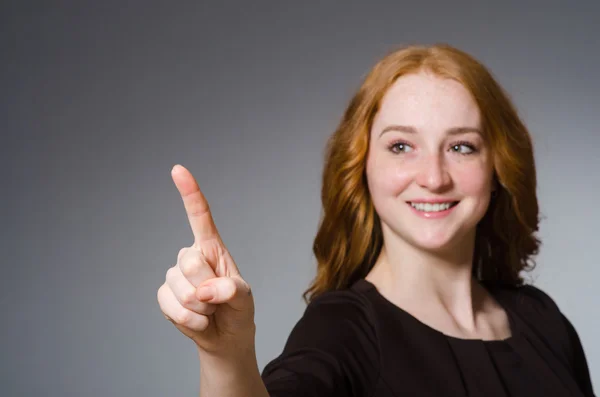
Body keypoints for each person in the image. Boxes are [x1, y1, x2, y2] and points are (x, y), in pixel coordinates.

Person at [156, 43, 596, 396]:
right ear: (361, 166)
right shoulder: (343, 329)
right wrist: (226, 357)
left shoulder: (542, 320)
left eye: (461, 147)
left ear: (498, 168)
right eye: (402, 146)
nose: (433, 177)